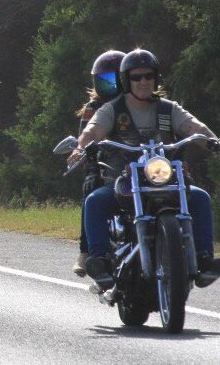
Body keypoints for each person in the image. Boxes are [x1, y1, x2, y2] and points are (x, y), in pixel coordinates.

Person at [69, 49, 220, 288]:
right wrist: (80, 147)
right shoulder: (112, 109)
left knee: (200, 198)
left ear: (155, 78)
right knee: (94, 201)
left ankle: (203, 260)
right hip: (124, 181)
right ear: (126, 80)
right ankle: (99, 260)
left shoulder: (168, 108)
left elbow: (194, 127)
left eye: (148, 76)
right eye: (136, 77)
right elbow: (93, 130)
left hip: (165, 179)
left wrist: (213, 141)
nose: (143, 82)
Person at [69, 50, 125, 277]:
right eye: (104, 82)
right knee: (91, 186)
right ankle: (86, 251)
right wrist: (82, 151)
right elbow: (85, 136)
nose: (110, 87)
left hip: (137, 163)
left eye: (115, 80)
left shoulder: (140, 104)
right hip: (103, 163)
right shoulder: (93, 108)